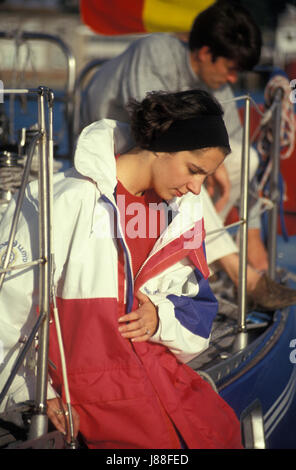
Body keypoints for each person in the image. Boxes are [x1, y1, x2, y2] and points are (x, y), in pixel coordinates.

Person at [0, 89, 242, 448]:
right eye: (194, 171)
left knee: (226, 431)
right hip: (90, 392)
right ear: (162, 145)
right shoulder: (65, 199)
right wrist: (32, 391)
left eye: (204, 178)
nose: (196, 189)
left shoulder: (182, 214)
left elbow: (200, 310)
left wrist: (160, 319)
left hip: (161, 381)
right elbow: (8, 306)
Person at [81, 0, 296, 311]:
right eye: (231, 68)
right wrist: (207, 170)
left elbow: (231, 148)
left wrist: (255, 235)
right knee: (186, 167)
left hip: (160, 153)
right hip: (116, 143)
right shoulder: (155, 52)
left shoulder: (213, 83)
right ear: (207, 54)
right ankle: (240, 275)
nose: (234, 79)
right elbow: (157, 134)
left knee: (243, 159)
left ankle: (202, 257)